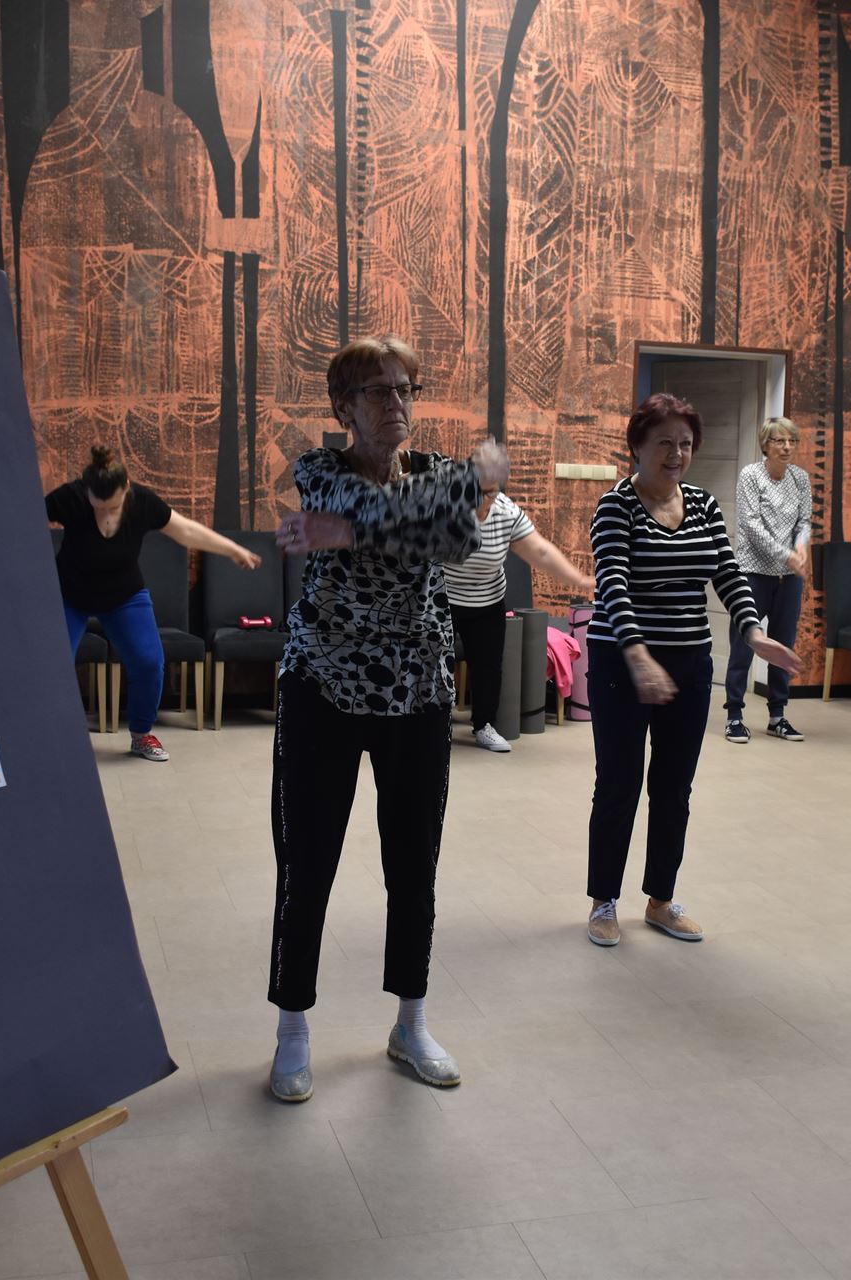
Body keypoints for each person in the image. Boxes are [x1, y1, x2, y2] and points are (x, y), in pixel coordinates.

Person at [264, 334, 510, 1103]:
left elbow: (457, 539)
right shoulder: (318, 470)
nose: (397, 403)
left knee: (414, 866)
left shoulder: (433, 472)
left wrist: (357, 531)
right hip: (324, 685)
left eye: (406, 389)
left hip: (419, 689)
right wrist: (459, 488)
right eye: (378, 391)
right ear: (343, 407)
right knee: (307, 866)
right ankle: (293, 1032)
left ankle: (411, 1024)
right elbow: (373, 509)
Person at [584, 393, 801, 945]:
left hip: (689, 662)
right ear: (637, 446)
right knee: (619, 784)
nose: (676, 453)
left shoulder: (703, 504)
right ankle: (604, 901)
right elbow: (613, 585)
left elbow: (727, 572)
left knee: (674, 787)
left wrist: (753, 631)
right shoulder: (615, 507)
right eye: (664, 442)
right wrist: (638, 656)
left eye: (685, 443)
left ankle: (660, 899)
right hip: (621, 663)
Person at [47, 445, 260, 761]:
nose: (106, 515)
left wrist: (232, 549)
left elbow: (185, 530)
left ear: (126, 488)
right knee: (52, 665)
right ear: (86, 490)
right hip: (70, 595)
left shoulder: (142, 502)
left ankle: (141, 734)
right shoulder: (69, 498)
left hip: (124, 596)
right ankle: (51, 737)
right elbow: (23, 523)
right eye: (98, 507)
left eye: (112, 507)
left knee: (149, 663)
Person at [443, 486, 595, 752]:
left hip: (488, 601)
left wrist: (580, 580)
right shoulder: (443, 506)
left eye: (489, 493)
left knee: (489, 666)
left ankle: (484, 725)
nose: (482, 500)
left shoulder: (507, 511)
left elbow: (541, 551)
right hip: (444, 599)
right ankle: (435, 726)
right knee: (435, 664)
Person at [723, 417, 811, 744]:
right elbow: (751, 525)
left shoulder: (800, 478)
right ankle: (734, 715)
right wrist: (786, 555)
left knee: (783, 645)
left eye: (791, 441)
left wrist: (801, 547)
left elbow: (804, 521)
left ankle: (777, 716)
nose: (786, 447)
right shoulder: (751, 475)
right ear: (766, 444)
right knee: (744, 643)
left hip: (788, 579)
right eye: (779, 441)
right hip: (752, 573)